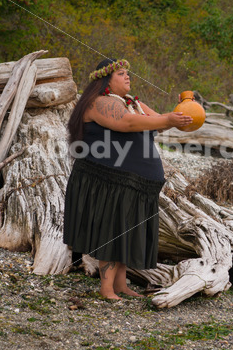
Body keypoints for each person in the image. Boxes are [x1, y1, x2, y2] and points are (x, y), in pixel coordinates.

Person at [63, 58, 192, 300]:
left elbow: (160, 122)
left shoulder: (132, 103)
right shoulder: (98, 103)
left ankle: (121, 285)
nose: (127, 77)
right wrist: (168, 119)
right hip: (109, 180)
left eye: (127, 73)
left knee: (125, 232)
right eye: (121, 73)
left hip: (134, 183)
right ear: (106, 79)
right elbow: (126, 123)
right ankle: (106, 288)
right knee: (112, 231)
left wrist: (182, 111)